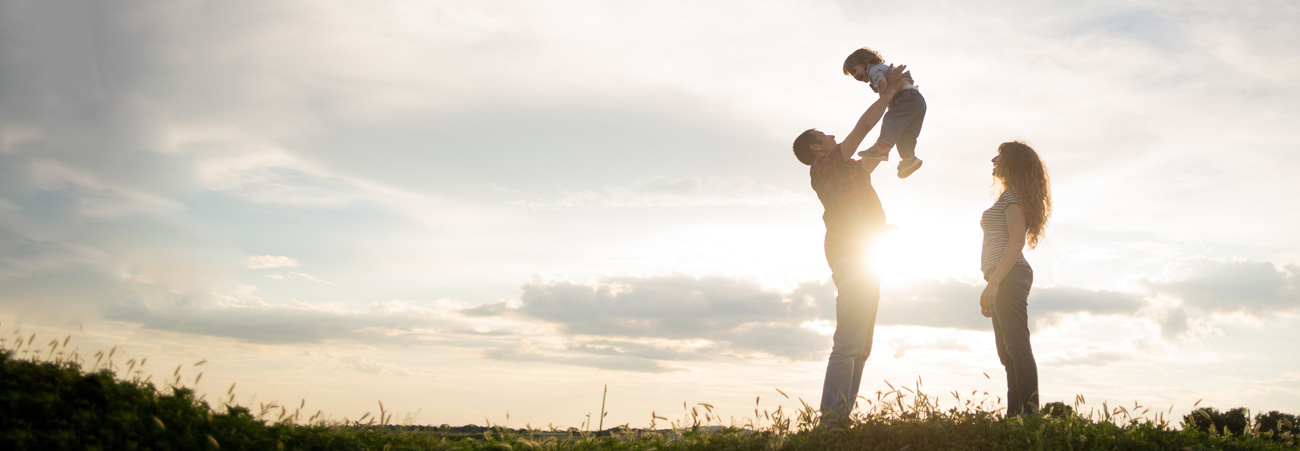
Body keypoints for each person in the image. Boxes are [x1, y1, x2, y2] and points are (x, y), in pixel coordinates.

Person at [791, 64, 909, 428]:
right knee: (848, 343)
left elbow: (874, 149)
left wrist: (900, 103)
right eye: (824, 134)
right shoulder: (825, 166)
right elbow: (861, 130)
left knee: (861, 345)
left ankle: (840, 420)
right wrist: (888, 95)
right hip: (853, 258)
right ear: (816, 147)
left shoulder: (850, 168)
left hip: (866, 256)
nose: (831, 135)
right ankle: (831, 424)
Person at [978, 141, 1052, 416]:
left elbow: (1016, 241)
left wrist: (994, 283)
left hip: (1008, 275)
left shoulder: (1012, 197)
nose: (993, 159)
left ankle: (1029, 418)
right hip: (1003, 275)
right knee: (1008, 353)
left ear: (1013, 163)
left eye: (1000, 156)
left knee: (1017, 348)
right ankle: (1014, 419)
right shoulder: (1009, 196)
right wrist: (993, 282)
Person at [841, 46, 927, 179]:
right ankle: (908, 158)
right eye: (853, 75)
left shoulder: (874, 69)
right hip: (916, 99)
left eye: (855, 70)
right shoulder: (881, 68)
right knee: (905, 133)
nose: (856, 76)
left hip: (906, 97)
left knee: (891, 120)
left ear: (865, 62)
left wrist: (884, 101)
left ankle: (882, 147)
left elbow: (882, 83)